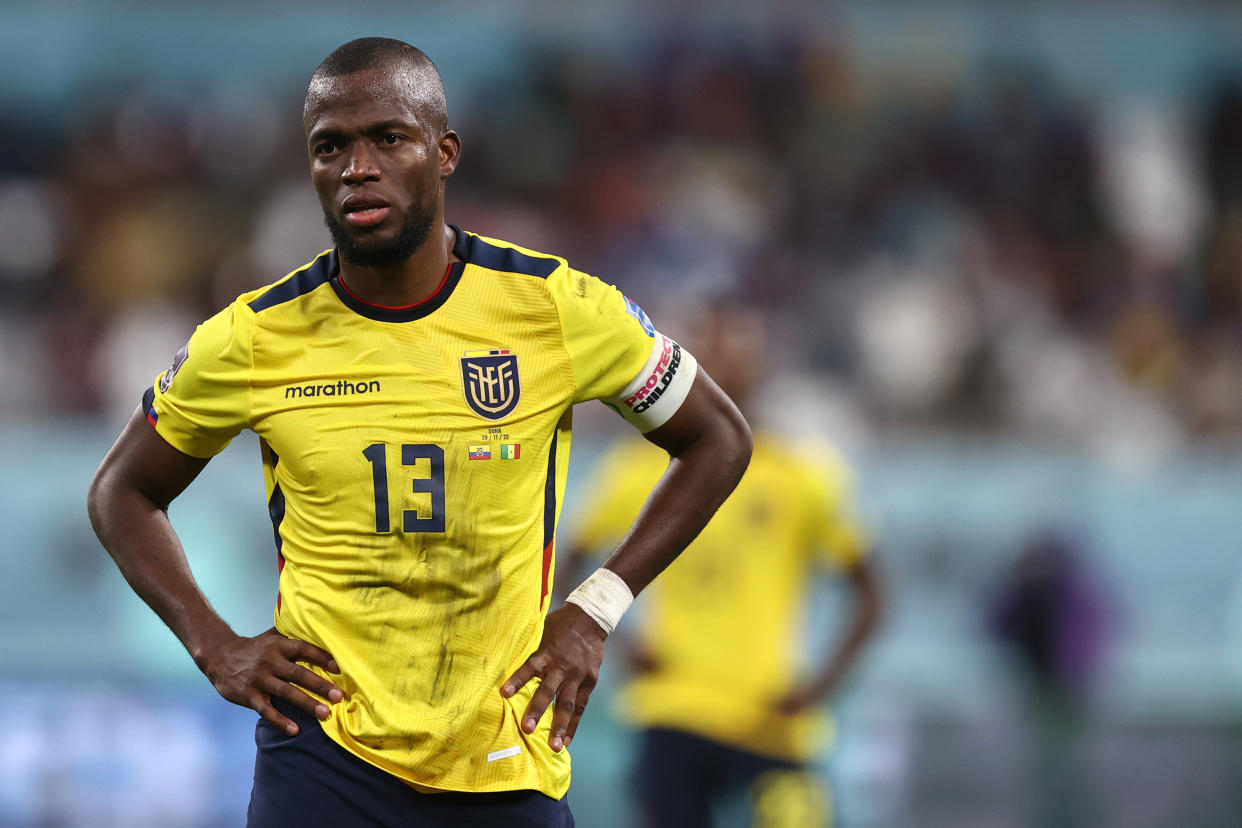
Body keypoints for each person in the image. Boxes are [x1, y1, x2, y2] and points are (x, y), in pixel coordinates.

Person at [86, 38, 751, 827]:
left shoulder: (557, 309)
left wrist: (598, 606)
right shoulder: (255, 337)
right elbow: (122, 490)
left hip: (505, 750)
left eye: (387, 138)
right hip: (323, 756)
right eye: (329, 147)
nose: (356, 167)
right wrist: (213, 643)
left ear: (444, 153)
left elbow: (719, 438)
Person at [562, 301, 884, 828]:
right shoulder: (633, 471)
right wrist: (617, 640)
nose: (725, 361)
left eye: (737, 347)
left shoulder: (803, 474)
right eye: (709, 347)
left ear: (761, 363)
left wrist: (820, 686)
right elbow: (562, 566)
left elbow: (872, 593)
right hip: (674, 707)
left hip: (771, 715)